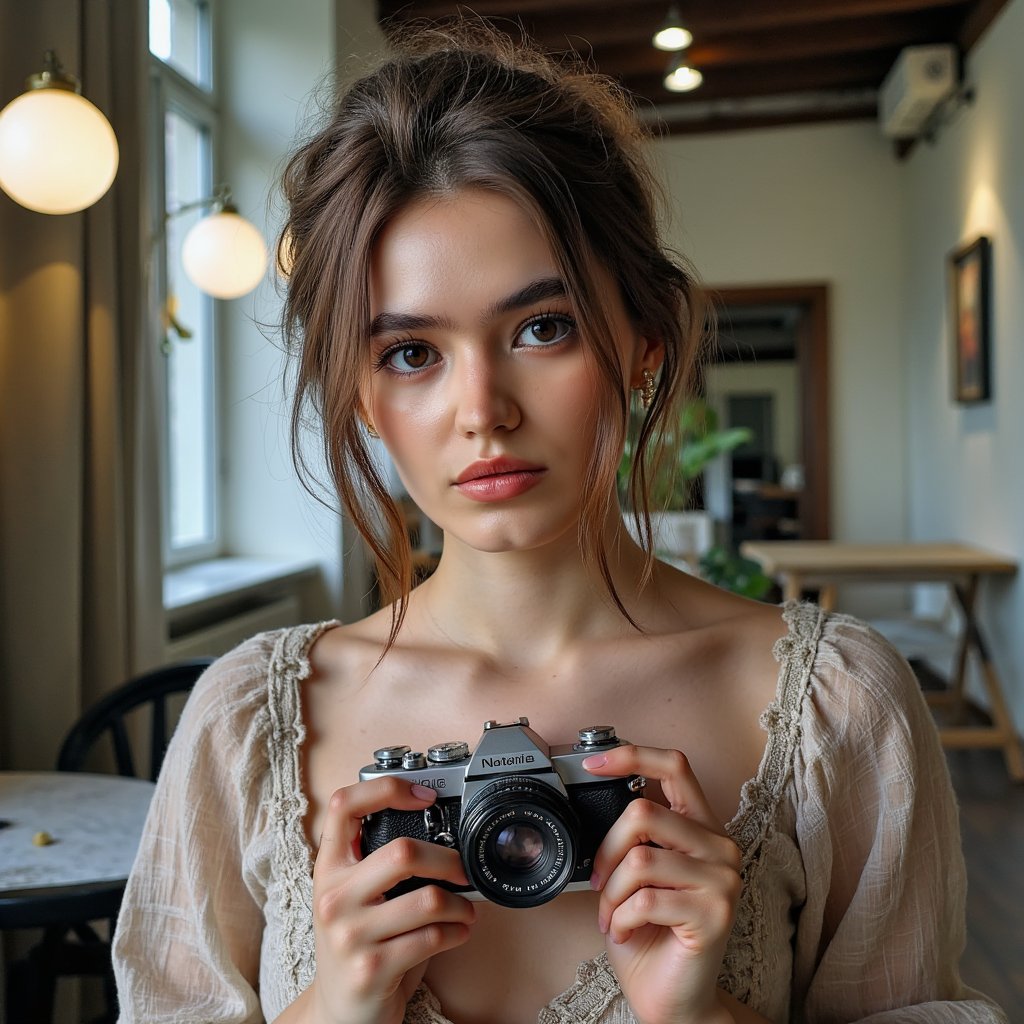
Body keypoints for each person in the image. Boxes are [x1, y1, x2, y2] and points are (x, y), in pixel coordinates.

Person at [113, 22, 1006, 1024]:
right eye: (411, 351)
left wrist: (700, 1015)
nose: (482, 408)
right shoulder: (247, 727)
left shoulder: (839, 709)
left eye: (543, 327)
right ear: (359, 393)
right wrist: (336, 1006)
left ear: (642, 346)